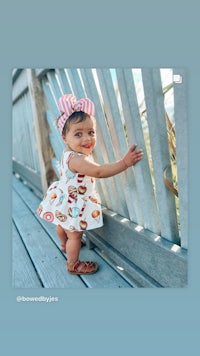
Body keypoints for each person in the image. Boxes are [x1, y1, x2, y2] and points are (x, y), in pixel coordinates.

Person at [37, 94, 143, 275]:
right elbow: (99, 171)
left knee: (63, 225)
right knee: (76, 235)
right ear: (65, 138)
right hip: (73, 204)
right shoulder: (77, 160)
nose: (87, 139)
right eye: (78, 134)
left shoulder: (67, 152)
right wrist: (124, 163)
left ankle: (64, 243)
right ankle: (73, 263)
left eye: (90, 132)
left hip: (64, 199)